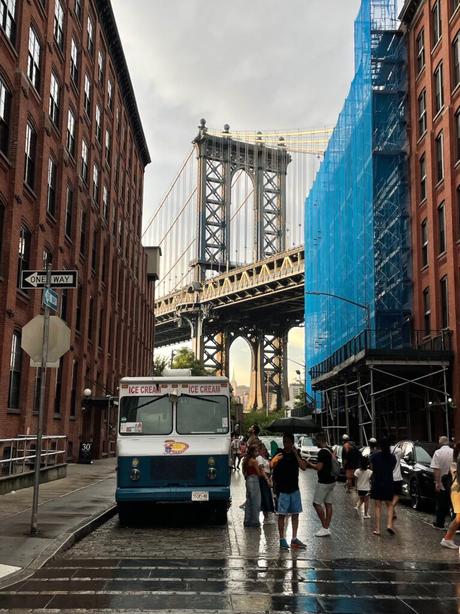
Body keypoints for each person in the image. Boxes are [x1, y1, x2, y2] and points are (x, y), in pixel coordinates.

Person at [272, 433, 307, 550]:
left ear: (292, 442)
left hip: (294, 489)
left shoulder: (295, 454)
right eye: (284, 441)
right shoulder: (279, 453)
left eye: (288, 442)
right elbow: (271, 466)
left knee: (295, 514)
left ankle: (294, 538)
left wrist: (296, 454)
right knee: (282, 515)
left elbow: (303, 467)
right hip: (282, 490)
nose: (286, 444)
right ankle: (282, 539)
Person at [306, 432, 336, 536]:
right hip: (332, 480)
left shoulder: (322, 453)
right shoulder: (330, 449)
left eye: (316, 441)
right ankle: (326, 527)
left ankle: (324, 526)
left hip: (323, 481)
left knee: (316, 503)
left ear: (319, 440)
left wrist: (309, 464)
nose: (315, 443)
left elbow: (319, 467)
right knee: (328, 503)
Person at [370, 438, 396, 535]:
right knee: (390, 505)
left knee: (378, 506)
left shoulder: (374, 456)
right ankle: (389, 525)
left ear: (379, 446)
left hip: (377, 482)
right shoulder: (392, 457)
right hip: (389, 482)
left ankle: (378, 529)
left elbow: (372, 468)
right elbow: (392, 468)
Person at [242, 444, 270, 528]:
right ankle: (255, 521)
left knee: (249, 501)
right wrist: (266, 473)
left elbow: (244, 472)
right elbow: (258, 473)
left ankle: (247, 521)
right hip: (254, 480)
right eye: (256, 451)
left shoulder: (246, 460)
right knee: (256, 501)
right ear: (252, 452)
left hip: (248, 480)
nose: (257, 452)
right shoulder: (254, 461)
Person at [431, 436, 454, 530]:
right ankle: (456, 525)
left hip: (442, 483)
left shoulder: (437, 453)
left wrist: (437, 482)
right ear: (448, 443)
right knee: (454, 504)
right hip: (454, 481)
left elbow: (436, 469)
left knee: (441, 504)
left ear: (440, 443)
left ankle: (440, 523)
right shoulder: (454, 452)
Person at [440, 442, 460, 549]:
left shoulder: (455, 462)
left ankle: (447, 538)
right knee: (458, 517)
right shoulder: (457, 462)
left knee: (459, 517)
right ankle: (447, 539)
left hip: (456, 490)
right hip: (458, 490)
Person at [257, 444, 275, 522]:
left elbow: (270, 467)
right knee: (265, 497)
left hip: (267, 477)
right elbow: (261, 469)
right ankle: (265, 516)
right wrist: (267, 479)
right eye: (263, 449)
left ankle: (266, 516)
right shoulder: (260, 458)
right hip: (263, 479)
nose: (265, 450)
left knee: (267, 496)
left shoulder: (265, 458)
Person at [392, 445, 403, 519]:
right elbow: (403, 456)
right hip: (397, 477)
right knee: (397, 495)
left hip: (388, 477)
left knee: (390, 496)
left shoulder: (385, 449)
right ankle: (391, 507)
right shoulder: (399, 450)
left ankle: (393, 512)